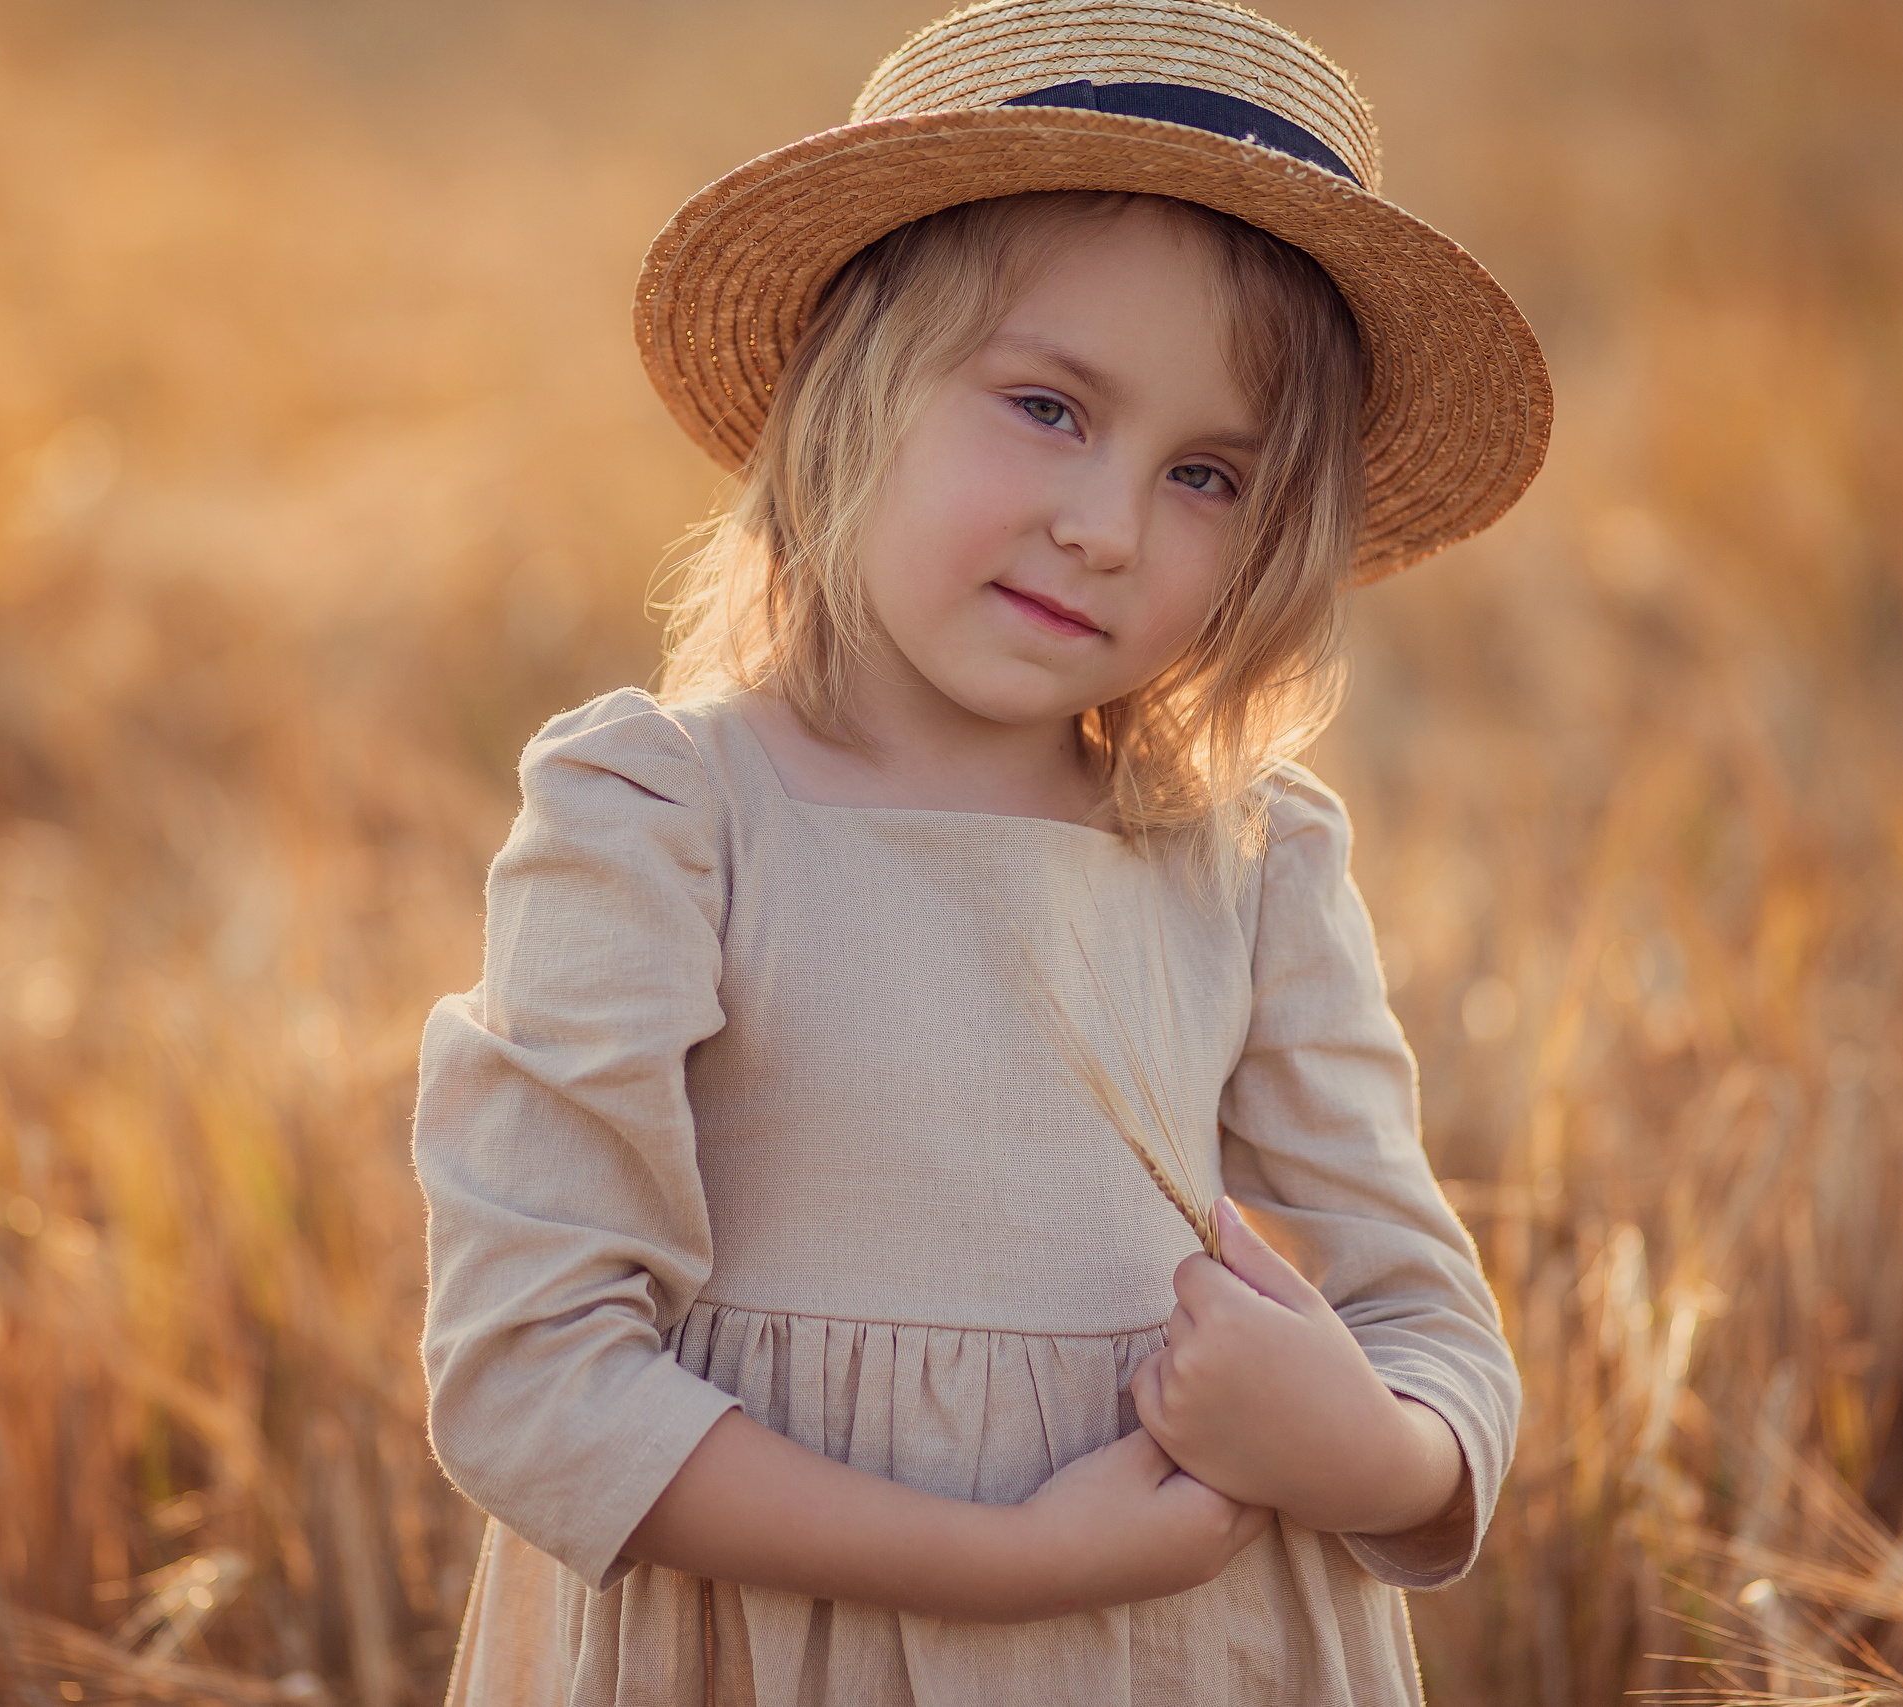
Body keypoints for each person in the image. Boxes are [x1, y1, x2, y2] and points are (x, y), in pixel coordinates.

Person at [413, 1, 1552, 1700]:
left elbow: (1434, 1328)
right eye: (1044, 405)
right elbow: (530, 1381)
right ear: (841, 385)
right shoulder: (661, 821)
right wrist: (1011, 1567)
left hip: (1182, 1654)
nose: (1106, 525)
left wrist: (1366, 1454)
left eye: (1210, 476)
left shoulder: (1245, 864)